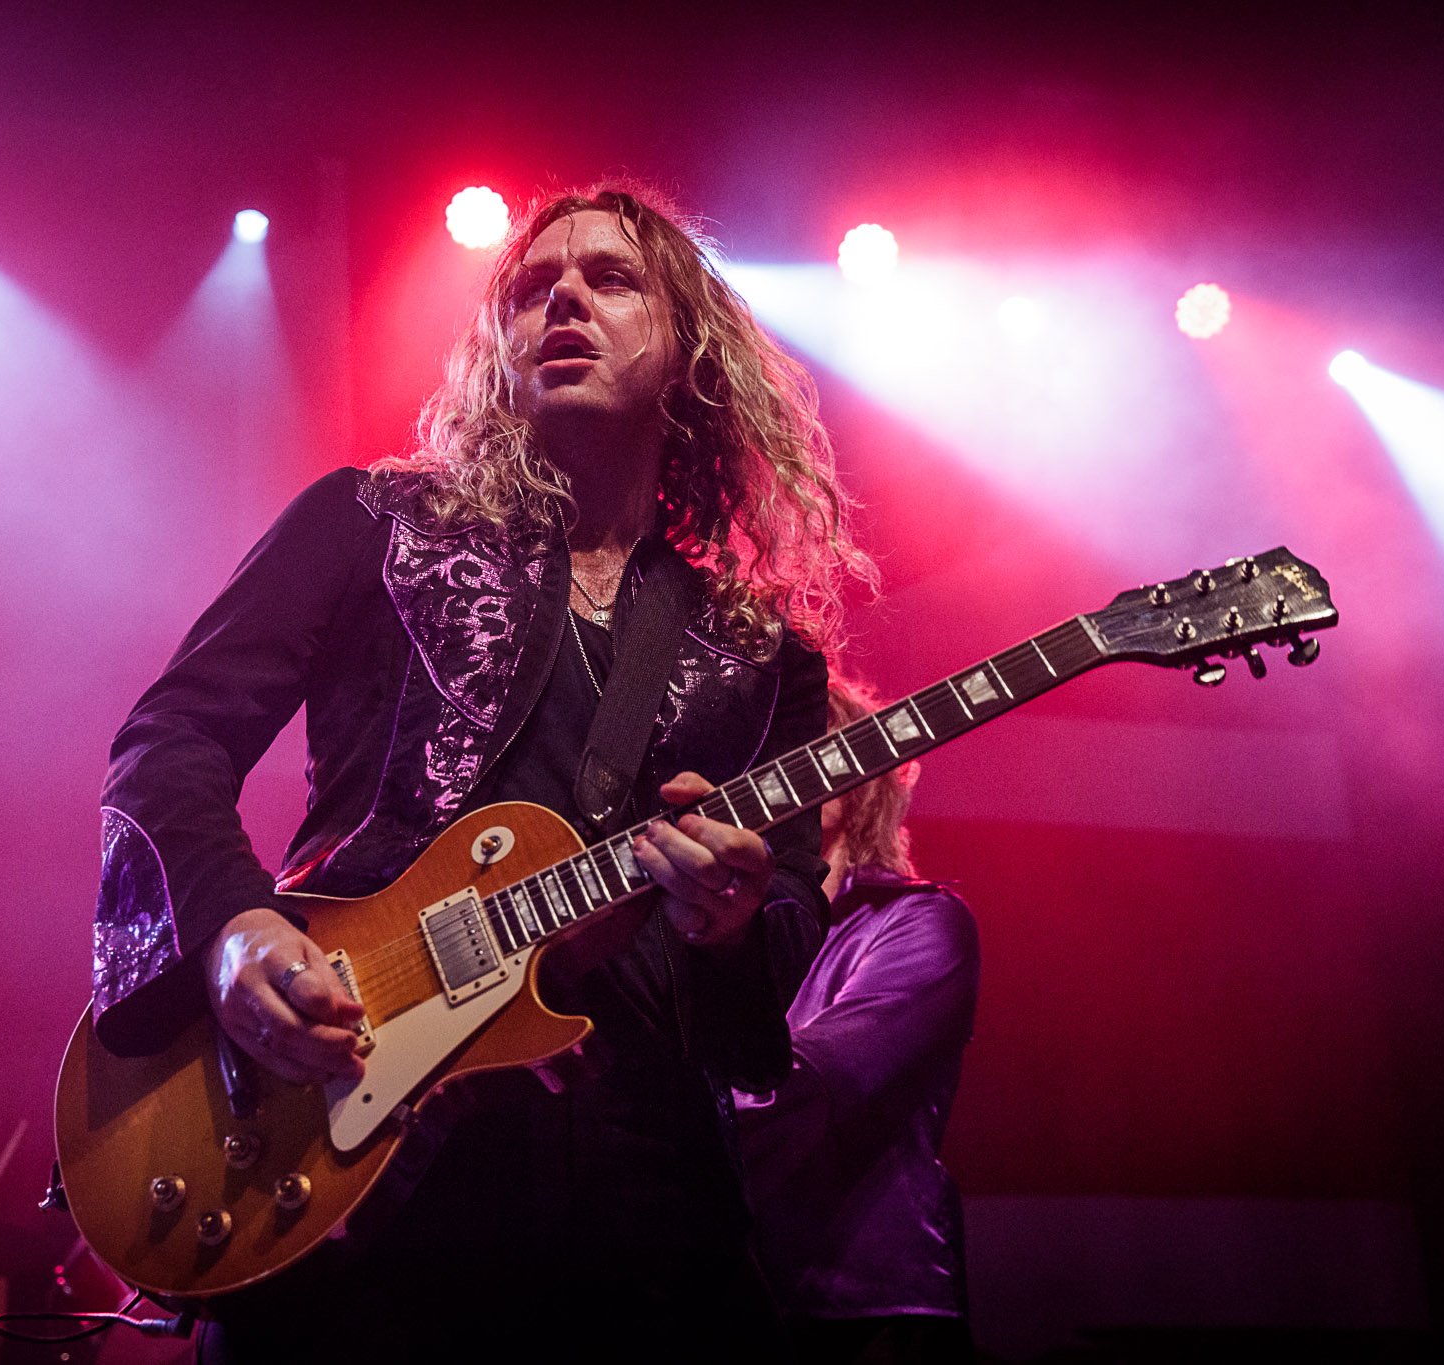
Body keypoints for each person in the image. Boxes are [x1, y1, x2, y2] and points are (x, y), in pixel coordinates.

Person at [89, 186, 874, 1361]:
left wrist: (726, 922)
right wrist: (234, 932)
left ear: (689, 351)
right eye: (526, 289)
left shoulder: (761, 655)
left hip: (637, 1200)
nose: (561, 296)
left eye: (611, 279)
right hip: (353, 1153)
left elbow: (783, 945)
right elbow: (171, 739)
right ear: (497, 352)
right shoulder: (370, 526)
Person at [738, 679, 981, 1365]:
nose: (769, 773)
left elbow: (808, 1088)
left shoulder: (920, 922)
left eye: (796, 749)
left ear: (858, 784)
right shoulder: (712, 941)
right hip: (727, 1295)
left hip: (862, 1313)